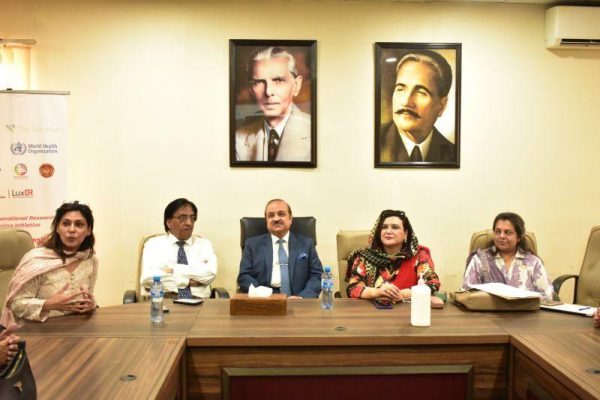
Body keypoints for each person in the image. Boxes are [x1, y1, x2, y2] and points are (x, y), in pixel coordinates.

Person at [1, 201, 98, 327]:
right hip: (38, 331)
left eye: (79, 224)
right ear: (57, 228)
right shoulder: (37, 260)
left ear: (88, 230)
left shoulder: (90, 259)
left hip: (77, 328)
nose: (71, 229)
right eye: (66, 223)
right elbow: (15, 305)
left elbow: (89, 297)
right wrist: (48, 305)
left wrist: (90, 305)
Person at [235, 47, 311, 162]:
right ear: (251, 89)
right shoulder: (238, 138)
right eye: (259, 82)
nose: (268, 91)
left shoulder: (315, 132)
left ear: (296, 85)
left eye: (279, 80)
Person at [379, 49, 456, 163]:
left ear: (442, 106)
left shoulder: (452, 154)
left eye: (421, 92)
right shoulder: (373, 142)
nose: (406, 102)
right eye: (400, 89)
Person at [346, 209, 440, 301]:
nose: (388, 231)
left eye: (395, 227)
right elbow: (353, 288)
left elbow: (432, 284)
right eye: (384, 227)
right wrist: (378, 292)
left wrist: (403, 294)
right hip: (372, 310)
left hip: (408, 309)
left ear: (405, 234)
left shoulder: (419, 255)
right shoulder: (365, 256)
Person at [237, 199, 322, 298]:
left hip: (298, 299)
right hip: (265, 299)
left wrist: (302, 297)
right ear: (266, 220)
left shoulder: (306, 244)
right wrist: (263, 294)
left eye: (281, 214)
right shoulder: (252, 245)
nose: (276, 218)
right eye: (271, 215)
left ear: (290, 218)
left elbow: (317, 276)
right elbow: (244, 276)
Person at [462, 212, 554, 301]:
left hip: (526, 311)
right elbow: (466, 294)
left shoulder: (533, 263)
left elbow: (547, 297)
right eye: (498, 232)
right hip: (488, 311)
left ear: (519, 237)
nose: (502, 236)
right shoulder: (480, 260)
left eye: (508, 232)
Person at [140, 198, 217, 299]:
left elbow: (210, 274)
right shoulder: (153, 244)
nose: (189, 222)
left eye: (192, 218)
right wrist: (187, 281)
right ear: (169, 223)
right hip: (163, 301)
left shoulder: (204, 244)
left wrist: (173, 270)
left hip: (200, 302)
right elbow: (148, 278)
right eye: (182, 218)